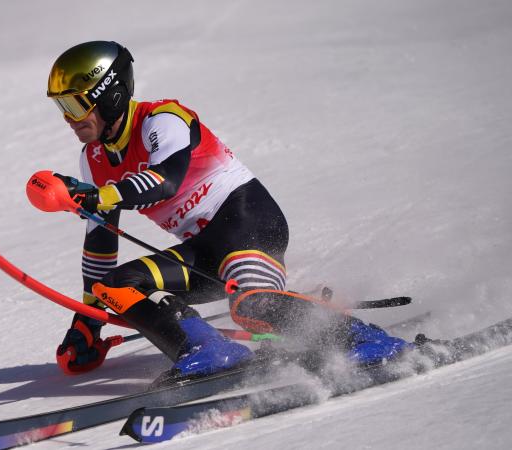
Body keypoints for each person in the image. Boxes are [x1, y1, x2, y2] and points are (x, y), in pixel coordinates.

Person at [45, 41, 409, 380]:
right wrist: (88, 321)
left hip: (249, 223)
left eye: (75, 105)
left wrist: (102, 196)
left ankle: (363, 337)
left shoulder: (162, 120)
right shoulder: (93, 160)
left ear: (111, 96)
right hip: (202, 251)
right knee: (116, 285)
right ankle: (207, 348)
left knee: (252, 305)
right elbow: (100, 243)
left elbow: (165, 181)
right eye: (62, 108)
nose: (69, 119)